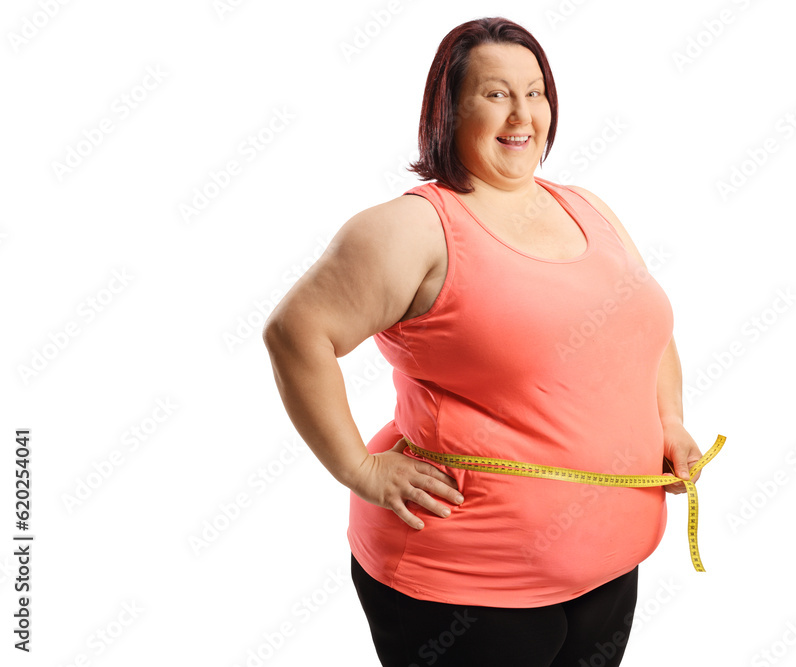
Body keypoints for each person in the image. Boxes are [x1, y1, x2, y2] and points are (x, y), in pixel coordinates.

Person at [263, 16, 704, 667]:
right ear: (448, 108)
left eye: (535, 92)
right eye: (496, 94)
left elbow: (647, 332)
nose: (521, 114)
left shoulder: (588, 208)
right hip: (464, 587)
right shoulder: (413, 228)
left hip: (610, 571)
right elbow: (295, 333)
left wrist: (670, 423)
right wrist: (358, 469)